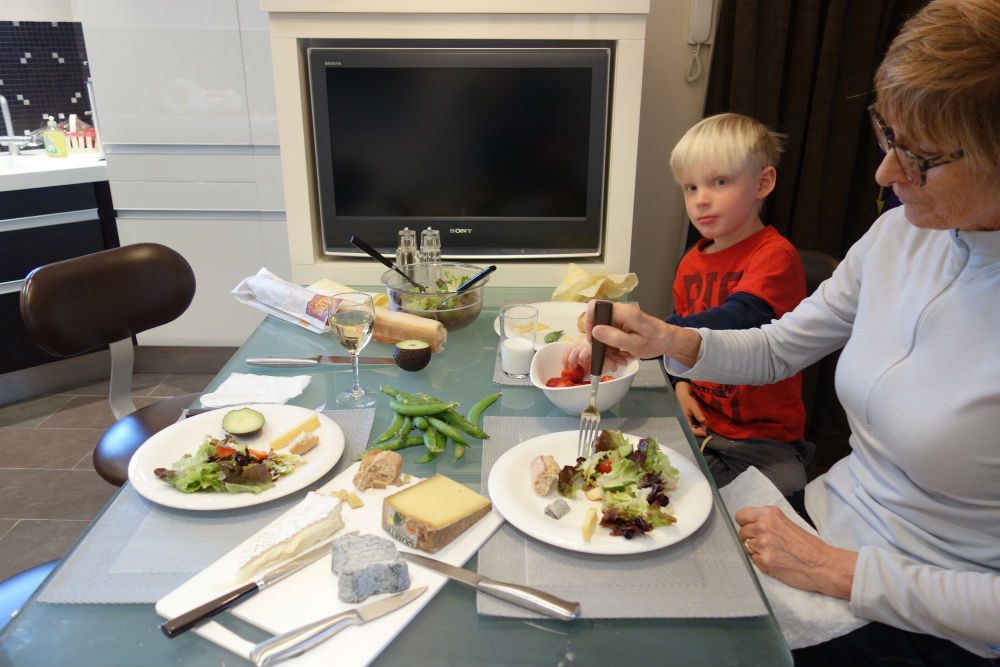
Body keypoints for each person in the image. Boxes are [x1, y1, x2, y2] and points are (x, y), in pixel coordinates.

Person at [567, 0, 1000, 663]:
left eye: (923, 158)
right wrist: (666, 339)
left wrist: (842, 572)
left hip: (927, 613)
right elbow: (779, 345)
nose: (887, 175)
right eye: (888, 138)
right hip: (820, 521)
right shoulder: (898, 236)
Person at [662, 112, 811, 495]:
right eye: (690, 187)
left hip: (764, 438)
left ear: (763, 182)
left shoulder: (774, 255)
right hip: (704, 425)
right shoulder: (689, 263)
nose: (701, 200)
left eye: (720, 182)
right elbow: (685, 353)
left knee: (772, 504)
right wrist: (681, 385)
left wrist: (660, 332)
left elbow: (742, 317)